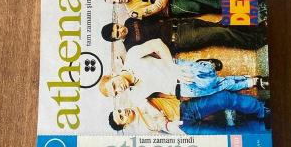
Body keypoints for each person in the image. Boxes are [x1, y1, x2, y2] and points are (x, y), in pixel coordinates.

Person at [98, 38, 256, 103]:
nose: (119, 89)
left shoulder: (132, 57)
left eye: (114, 85)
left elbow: (157, 43)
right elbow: (152, 106)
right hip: (181, 89)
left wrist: (172, 68)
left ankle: (206, 65)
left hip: (179, 69)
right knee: (217, 86)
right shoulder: (135, 95)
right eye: (116, 93)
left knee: (209, 76)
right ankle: (251, 81)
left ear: (112, 75)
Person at [109, 91, 270, 134]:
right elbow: (161, 129)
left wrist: (161, 119)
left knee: (224, 99)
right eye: (121, 117)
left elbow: (148, 104)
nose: (124, 112)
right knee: (226, 135)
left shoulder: (137, 100)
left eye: (120, 111)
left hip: (185, 108)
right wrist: (164, 123)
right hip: (185, 129)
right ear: (125, 125)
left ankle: (263, 110)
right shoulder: (141, 131)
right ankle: (262, 128)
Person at [101, 14, 268, 52]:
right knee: (219, 33)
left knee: (221, 25)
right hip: (179, 39)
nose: (120, 29)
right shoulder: (130, 47)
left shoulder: (129, 21)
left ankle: (258, 30)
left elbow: (154, 17)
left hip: (179, 24)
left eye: (117, 27)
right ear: (116, 39)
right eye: (117, 33)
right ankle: (256, 42)